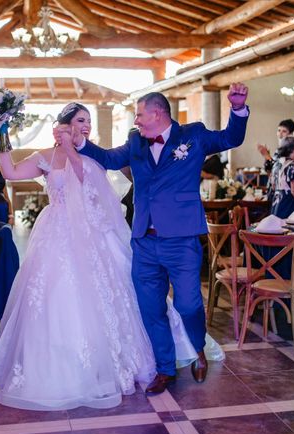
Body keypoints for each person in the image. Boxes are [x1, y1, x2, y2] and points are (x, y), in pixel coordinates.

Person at [0, 103, 222, 410]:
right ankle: (60, 368)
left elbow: (84, 182)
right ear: (65, 124)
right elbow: (10, 172)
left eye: (88, 122)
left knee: (118, 295)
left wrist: (72, 148)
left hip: (94, 235)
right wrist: (2, 132)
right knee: (54, 299)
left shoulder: (92, 154)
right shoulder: (44, 155)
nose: (86, 127)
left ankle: (162, 354)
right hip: (56, 234)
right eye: (81, 121)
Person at [64, 84, 249, 394]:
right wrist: (82, 143)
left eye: (139, 115)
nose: (135, 121)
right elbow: (109, 159)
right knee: (151, 308)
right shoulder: (135, 141)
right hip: (144, 242)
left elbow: (231, 138)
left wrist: (238, 110)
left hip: (182, 239)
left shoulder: (194, 135)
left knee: (189, 305)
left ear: (157, 113)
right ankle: (165, 369)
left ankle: (198, 347)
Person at [270, 136, 294, 218]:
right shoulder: (293, 165)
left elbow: (273, 186)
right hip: (289, 206)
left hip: (276, 206)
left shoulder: (277, 164)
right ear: (292, 148)